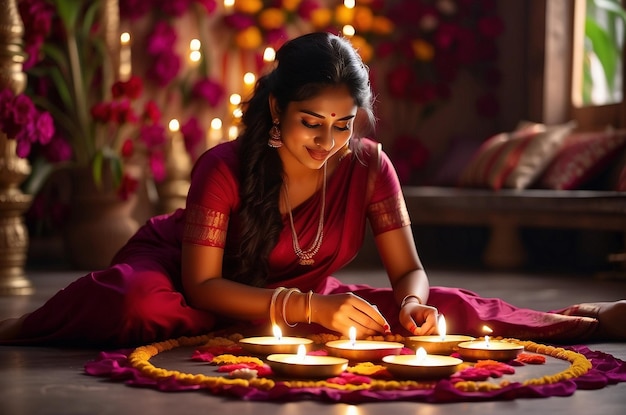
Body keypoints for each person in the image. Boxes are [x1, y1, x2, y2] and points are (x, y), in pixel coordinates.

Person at [0, 32, 624, 348]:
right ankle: (20, 328)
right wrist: (306, 310)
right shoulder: (225, 166)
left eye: (343, 125)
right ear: (276, 110)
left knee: (426, 315)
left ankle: (582, 321)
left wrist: (410, 305)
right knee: (139, 306)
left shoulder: (369, 166)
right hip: (189, 279)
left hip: (292, 295)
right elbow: (202, 286)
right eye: (310, 123)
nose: (328, 142)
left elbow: (410, 269)